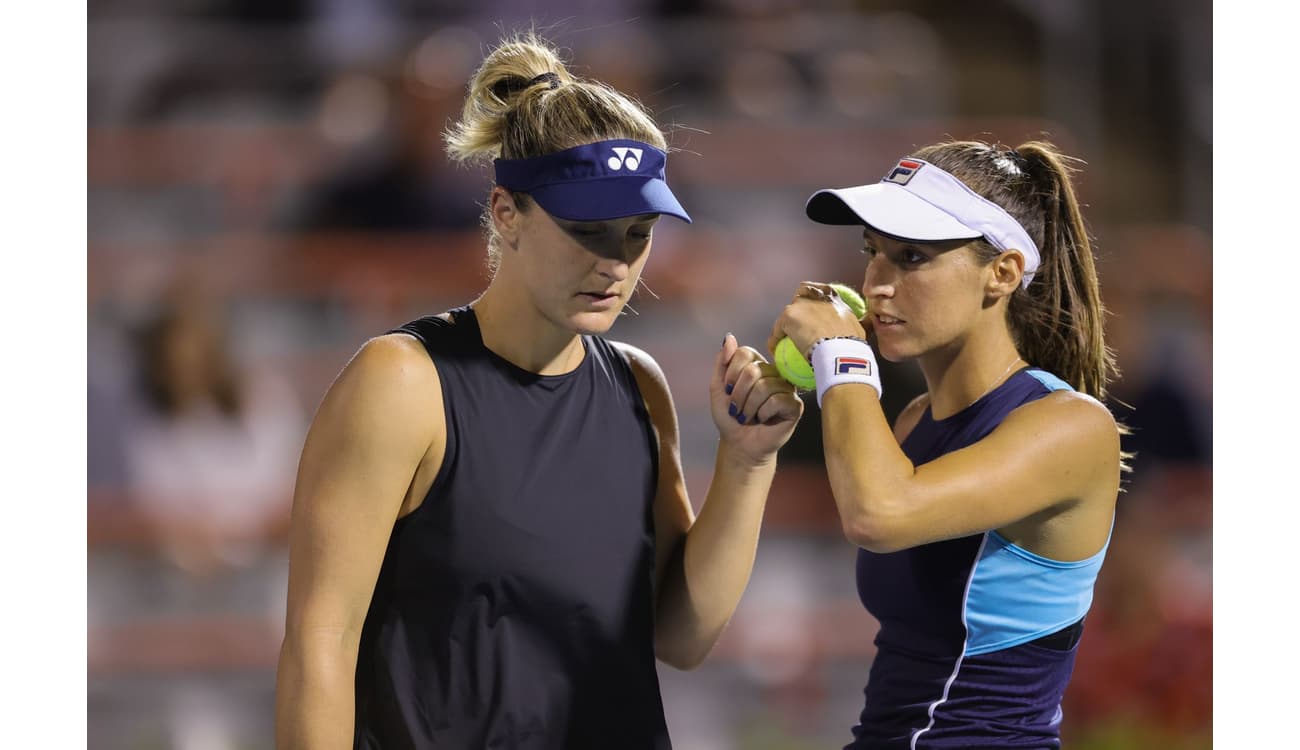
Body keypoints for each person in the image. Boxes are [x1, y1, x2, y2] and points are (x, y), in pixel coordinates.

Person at [274, 33, 803, 750]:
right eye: (586, 229)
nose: (616, 263)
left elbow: (679, 635)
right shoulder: (400, 384)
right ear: (505, 213)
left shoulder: (638, 387)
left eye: (637, 233)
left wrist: (748, 463)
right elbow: (320, 645)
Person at [767, 141, 1124, 749]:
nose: (877, 285)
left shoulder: (1073, 425)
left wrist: (843, 355)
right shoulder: (910, 419)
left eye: (911, 257)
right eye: (872, 253)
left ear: (1003, 273)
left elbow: (879, 513)